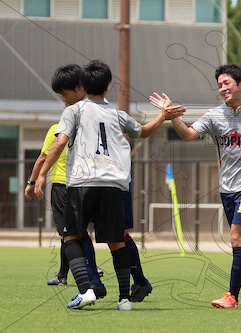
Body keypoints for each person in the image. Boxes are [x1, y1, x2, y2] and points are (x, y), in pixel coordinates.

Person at [34, 59, 185, 310]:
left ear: (82, 85)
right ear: (107, 88)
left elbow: (60, 143)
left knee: (71, 236)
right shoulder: (118, 114)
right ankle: (124, 299)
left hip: (83, 182)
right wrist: (163, 116)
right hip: (114, 185)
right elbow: (144, 131)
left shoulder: (74, 111)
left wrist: (41, 175)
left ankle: (86, 290)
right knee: (117, 241)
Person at [149, 64, 241, 309]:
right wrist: (173, 118)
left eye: (227, 83)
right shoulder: (214, 115)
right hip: (227, 188)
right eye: (219, 85)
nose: (222, 88)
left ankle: (232, 297)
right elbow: (188, 135)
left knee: (236, 237)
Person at [25, 64, 106, 298]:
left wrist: (33, 181)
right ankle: (70, 273)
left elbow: (42, 157)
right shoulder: (95, 120)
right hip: (89, 183)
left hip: (63, 185)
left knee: (68, 233)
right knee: (77, 232)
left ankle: (85, 275)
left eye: (64, 96)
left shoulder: (57, 129)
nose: (64, 102)